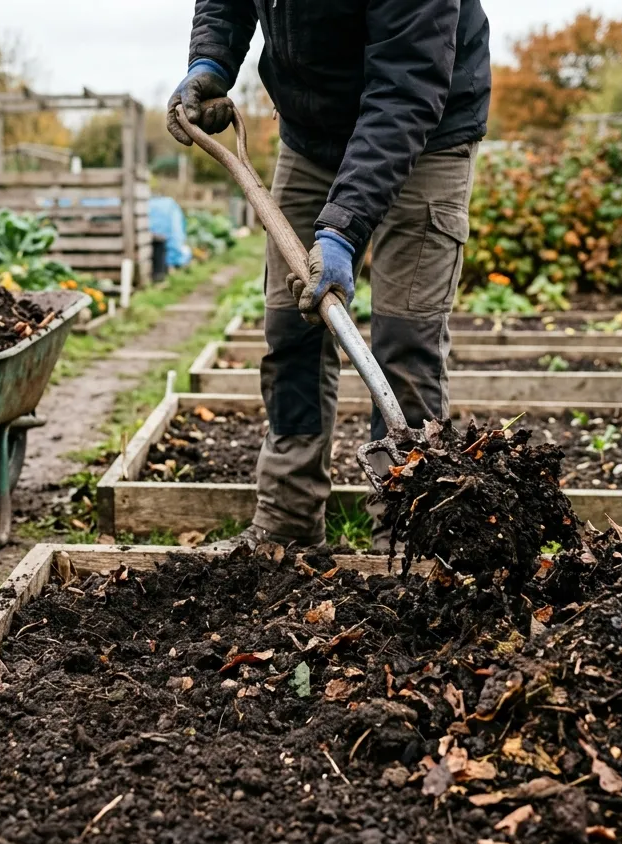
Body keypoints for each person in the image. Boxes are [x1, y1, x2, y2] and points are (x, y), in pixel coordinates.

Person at [168, 0, 491, 548]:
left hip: (424, 128)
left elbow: (407, 85)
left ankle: (406, 531)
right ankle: (287, 520)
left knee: (406, 337)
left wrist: (342, 229)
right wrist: (211, 63)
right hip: (311, 133)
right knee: (291, 328)